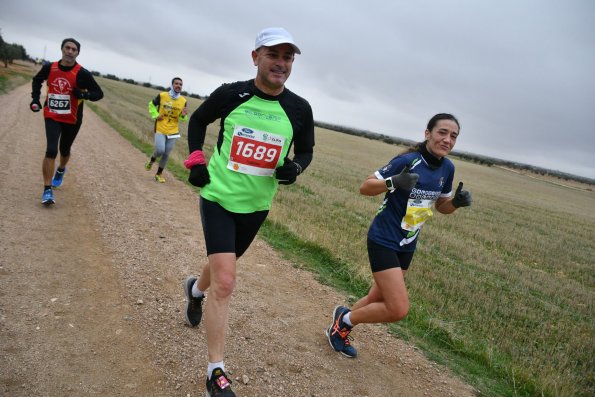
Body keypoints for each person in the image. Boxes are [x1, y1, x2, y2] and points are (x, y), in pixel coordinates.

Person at [182, 27, 314, 396]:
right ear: (255, 57)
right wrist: (196, 160)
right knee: (226, 281)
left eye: (288, 57)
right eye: (274, 55)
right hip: (219, 197)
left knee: (222, 265)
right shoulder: (231, 94)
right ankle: (215, 371)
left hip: (257, 206)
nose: (281, 63)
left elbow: (305, 152)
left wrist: (295, 169)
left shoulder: (299, 108)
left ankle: (194, 290)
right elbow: (197, 121)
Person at [325, 113, 472, 358]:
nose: (447, 140)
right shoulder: (408, 160)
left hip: (408, 242)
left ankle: (339, 326)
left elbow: (442, 206)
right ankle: (345, 320)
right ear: (428, 133)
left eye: (453, 136)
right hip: (383, 238)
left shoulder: (448, 167)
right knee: (397, 308)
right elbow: (365, 187)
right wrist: (394, 182)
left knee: (377, 296)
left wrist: (455, 202)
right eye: (442, 132)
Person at [30, 38, 104, 205]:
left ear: (77, 53)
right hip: (52, 114)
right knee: (51, 150)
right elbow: (37, 80)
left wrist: (84, 95)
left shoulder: (82, 73)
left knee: (64, 149)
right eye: (67, 48)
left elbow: (99, 93)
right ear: (62, 49)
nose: (70, 51)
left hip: (72, 118)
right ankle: (47, 190)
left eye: (73, 49)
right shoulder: (50, 67)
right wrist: (35, 99)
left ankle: (61, 169)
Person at [144, 77, 188, 182]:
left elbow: (182, 118)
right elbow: (151, 105)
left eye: (180, 84)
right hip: (161, 127)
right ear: (172, 85)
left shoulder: (183, 101)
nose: (179, 86)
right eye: (176, 83)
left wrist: (183, 115)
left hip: (173, 131)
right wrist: (156, 115)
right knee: (160, 150)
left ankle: (158, 174)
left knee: (166, 154)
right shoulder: (162, 95)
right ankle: (151, 160)